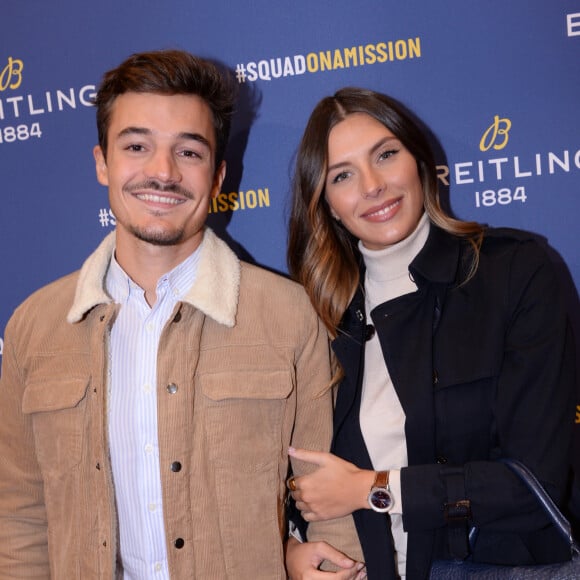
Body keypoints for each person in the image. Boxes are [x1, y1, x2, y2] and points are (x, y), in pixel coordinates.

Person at [0, 50, 363, 579]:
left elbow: (328, 504)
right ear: (102, 161)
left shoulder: (286, 315)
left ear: (217, 176)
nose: (162, 172)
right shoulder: (34, 327)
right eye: (137, 146)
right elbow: (20, 516)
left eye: (188, 152)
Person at [284, 87, 576, 579]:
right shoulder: (310, 313)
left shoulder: (515, 272)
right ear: (328, 203)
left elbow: (537, 486)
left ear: (419, 162)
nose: (373, 185)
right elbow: (282, 472)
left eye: (386, 155)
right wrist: (290, 547)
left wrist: (373, 489)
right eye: (343, 175)